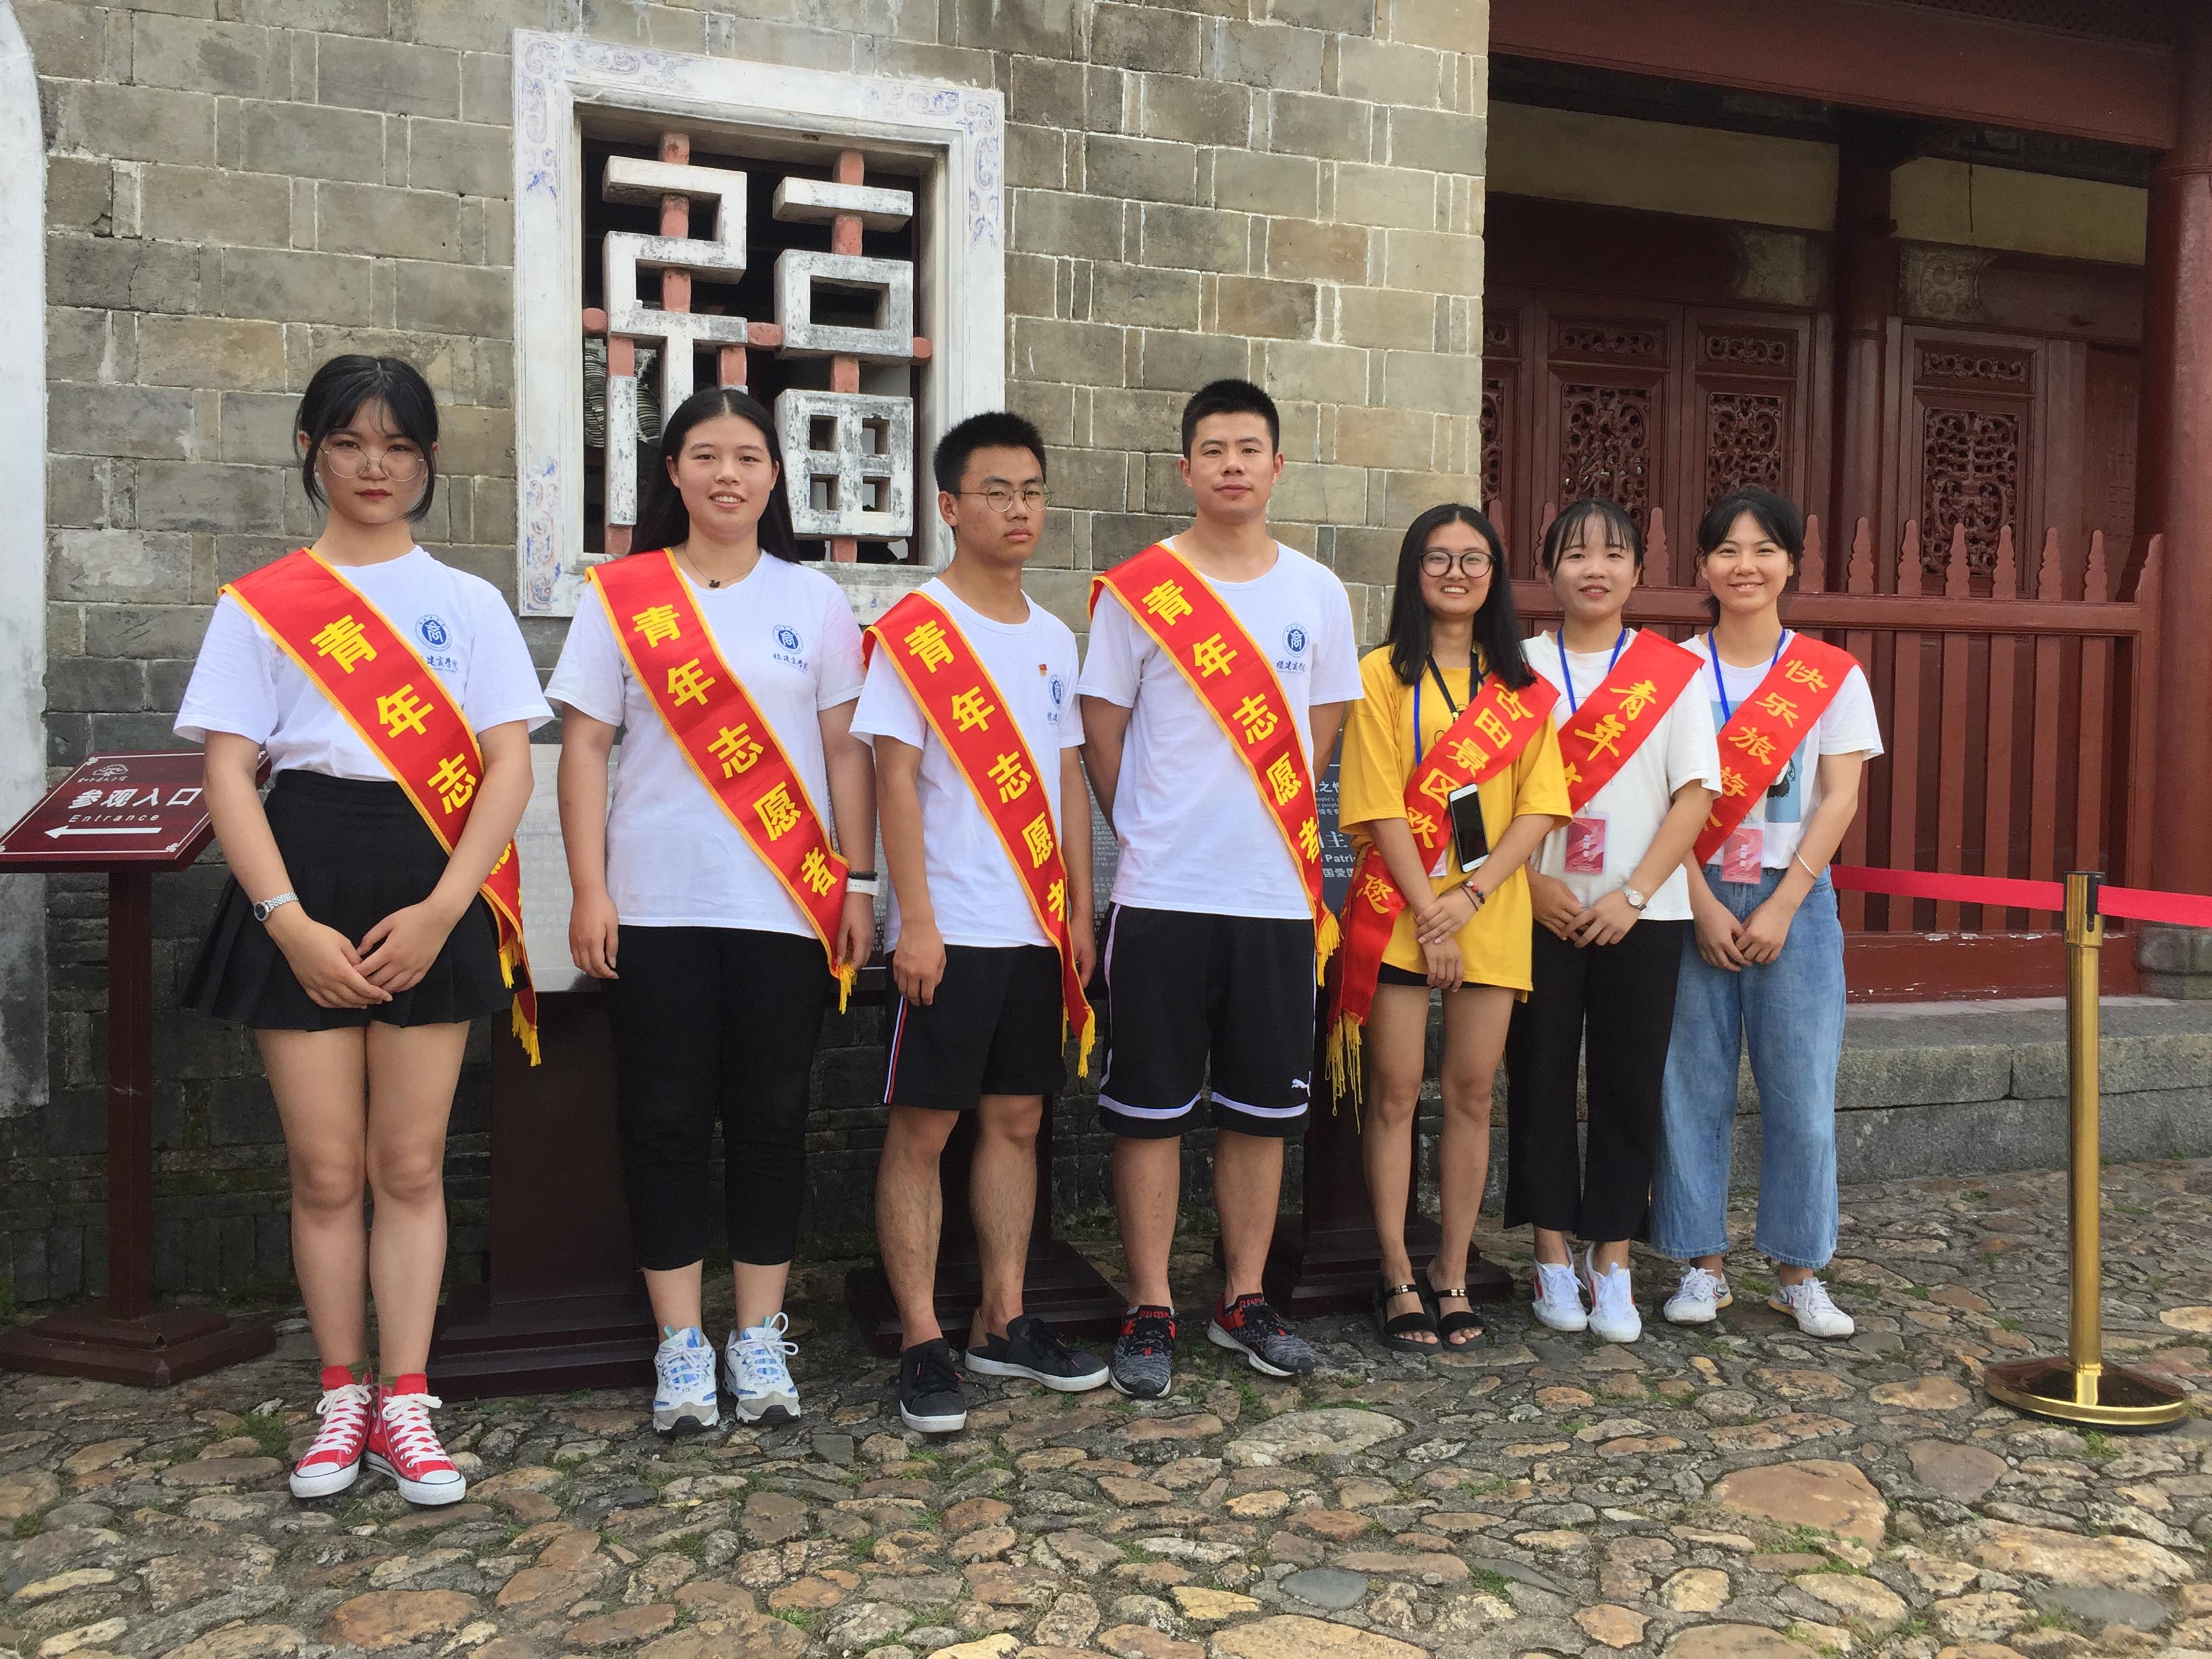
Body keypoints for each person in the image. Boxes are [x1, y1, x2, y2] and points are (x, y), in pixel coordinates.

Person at [177, 354, 550, 1504]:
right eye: (348, 442)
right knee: (328, 1166)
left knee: (409, 1162)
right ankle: (341, 1393)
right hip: (300, 871)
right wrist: (284, 921)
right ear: (310, 450)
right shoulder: (260, 605)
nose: (373, 466)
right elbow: (230, 773)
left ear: (427, 461)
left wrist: (445, 908)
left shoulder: (468, 603)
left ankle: (407, 1399)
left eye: (397, 445)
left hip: (427, 874)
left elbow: (507, 765)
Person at [550, 386, 876, 1434]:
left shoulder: (814, 600)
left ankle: (759, 1336)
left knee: (774, 1120)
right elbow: (586, 747)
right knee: (665, 1121)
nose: (726, 474)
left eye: (746, 456)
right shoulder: (622, 595)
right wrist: (591, 888)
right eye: (705, 455)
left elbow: (845, 751)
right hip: (656, 903)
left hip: (786, 904)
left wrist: (859, 881)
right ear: (674, 473)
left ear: (775, 477)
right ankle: (682, 1343)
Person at [1079, 378, 1360, 1396]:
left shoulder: (1317, 593)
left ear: (1278, 466)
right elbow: (1101, 732)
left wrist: (1258, 820)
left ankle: (1243, 1298)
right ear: (1186, 468)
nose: (1233, 465)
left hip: (1276, 897)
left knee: (1260, 1110)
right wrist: (1155, 826)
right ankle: (1150, 1305)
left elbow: (1320, 728)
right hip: (1162, 891)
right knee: (1149, 1109)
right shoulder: (1138, 590)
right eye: (1214, 449)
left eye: (1250, 448)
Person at [856, 411, 1109, 1433]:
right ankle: (922, 1336)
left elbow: (1065, 780)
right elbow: (894, 782)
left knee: (1018, 1121)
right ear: (950, 506)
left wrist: (1079, 909)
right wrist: (913, 919)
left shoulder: (1052, 637)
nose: (1018, 509)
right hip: (949, 926)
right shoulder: (916, 630)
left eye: (1032, 491)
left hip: (1033, 929)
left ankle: (1002, 1320)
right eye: (996, 492)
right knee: (925, 1127)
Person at [1332, 505, 1569, 1351]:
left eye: (1474, 559)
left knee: (1472, 1095)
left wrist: (1469, 899)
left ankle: (1453, 1270)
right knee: (1396, 1093)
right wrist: (1431, 915)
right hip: (1401, 909)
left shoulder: (1521, 688)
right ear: (1413, 571)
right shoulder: (1379, 676)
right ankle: (1397, 1270)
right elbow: (1376, 802)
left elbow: (1540, 805)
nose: (1456, 573)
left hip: (1489, 909)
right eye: (1438, 558)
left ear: (1495, 575)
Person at [1650, 486, 1882, 1339]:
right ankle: (1699, 1264)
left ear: (1790, 563)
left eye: (1763, 550)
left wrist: (1784, 904)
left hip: (1797, 897)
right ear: (1704, 566)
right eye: (1727, 550)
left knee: (1802, 1091)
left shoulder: (1832, 674)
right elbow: (1655, 799)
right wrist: (1700, 901)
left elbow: (1840, 796)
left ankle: (1798, 1271)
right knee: (1689, 1086)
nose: (1744, 566)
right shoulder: (1669, 670)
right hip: (1690, 895)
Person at [1507, 499, 1719, 1343]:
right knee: (1540, 1077)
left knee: (1630, 1084)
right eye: (1575, 553)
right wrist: (1525, 883)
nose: (1594, 568)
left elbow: (1695, 795)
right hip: (1538, 910)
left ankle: (1614, 1257)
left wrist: (1633, 895)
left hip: (1646, 913)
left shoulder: (1673, 671)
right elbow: (1473, 794)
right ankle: (1551, 1252)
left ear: (1637, 570)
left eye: (1613, 553)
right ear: (1547, 570)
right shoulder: (1515, 665)